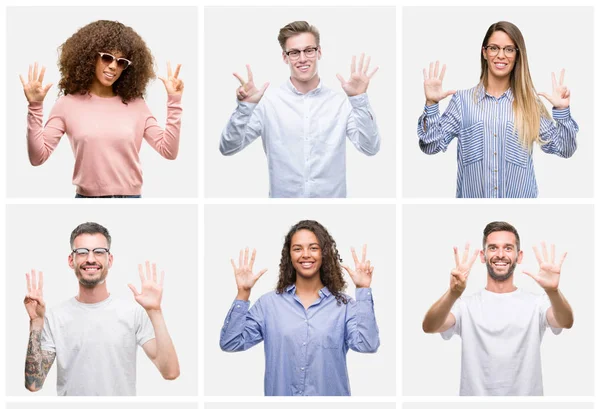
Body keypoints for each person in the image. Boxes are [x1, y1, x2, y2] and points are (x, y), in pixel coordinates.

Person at [20, 20, 184, 198]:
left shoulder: (136, 105)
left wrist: (174, 100)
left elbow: (168, 151)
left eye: (121, 62)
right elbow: (38, 157)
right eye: (107, 57)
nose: (113, 66)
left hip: (131, 199)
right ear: (90, 57)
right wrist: (35, 106)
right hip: (86, 199)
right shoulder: (67, 105)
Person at [219, 20, 380, 198]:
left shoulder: (340, 103)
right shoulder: (268, 103)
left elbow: (370, 148)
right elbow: (227, 148)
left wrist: (359, 99)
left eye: (308, 50)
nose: (302, 59)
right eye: (294, 52)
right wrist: (245, 108)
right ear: (285, 57)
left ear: (319, 52)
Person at [418, 21, 578, 198]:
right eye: (494, 48)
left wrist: (562, 111)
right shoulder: (462, 102)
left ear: (517, 55)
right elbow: (430, 146)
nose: (501, 55)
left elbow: (564, 149)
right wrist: (431, 104)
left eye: (509, 49)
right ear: (484, 52)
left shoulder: (530, 104)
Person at [220, 220, 380, 396]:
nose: (305, 254)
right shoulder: (268, 305)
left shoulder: (344, 306)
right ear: (289, 255)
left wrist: (363, 289)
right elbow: (231, 343)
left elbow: (367, 345)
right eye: (297, 248)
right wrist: (243, 293)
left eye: (313, 248)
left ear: (324, 253)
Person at [24, 222, 180, 395]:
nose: (90, 259)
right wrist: (36, 323)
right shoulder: (54, 316)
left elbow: (170, 372)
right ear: (71, 260)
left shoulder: (133, 313)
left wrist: (155, 312)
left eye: (99, 252)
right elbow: (34, 384)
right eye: (82, 252)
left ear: (110, 259)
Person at [422, 221, 573, 396]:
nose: (500, 254)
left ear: (519, 256)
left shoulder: (537, 303)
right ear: (483, 256)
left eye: (508, 248)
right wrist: (453, 293)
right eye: (493, 248)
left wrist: (552, 291)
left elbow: (565, 321)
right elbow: (430, 326)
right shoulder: (465, 306)